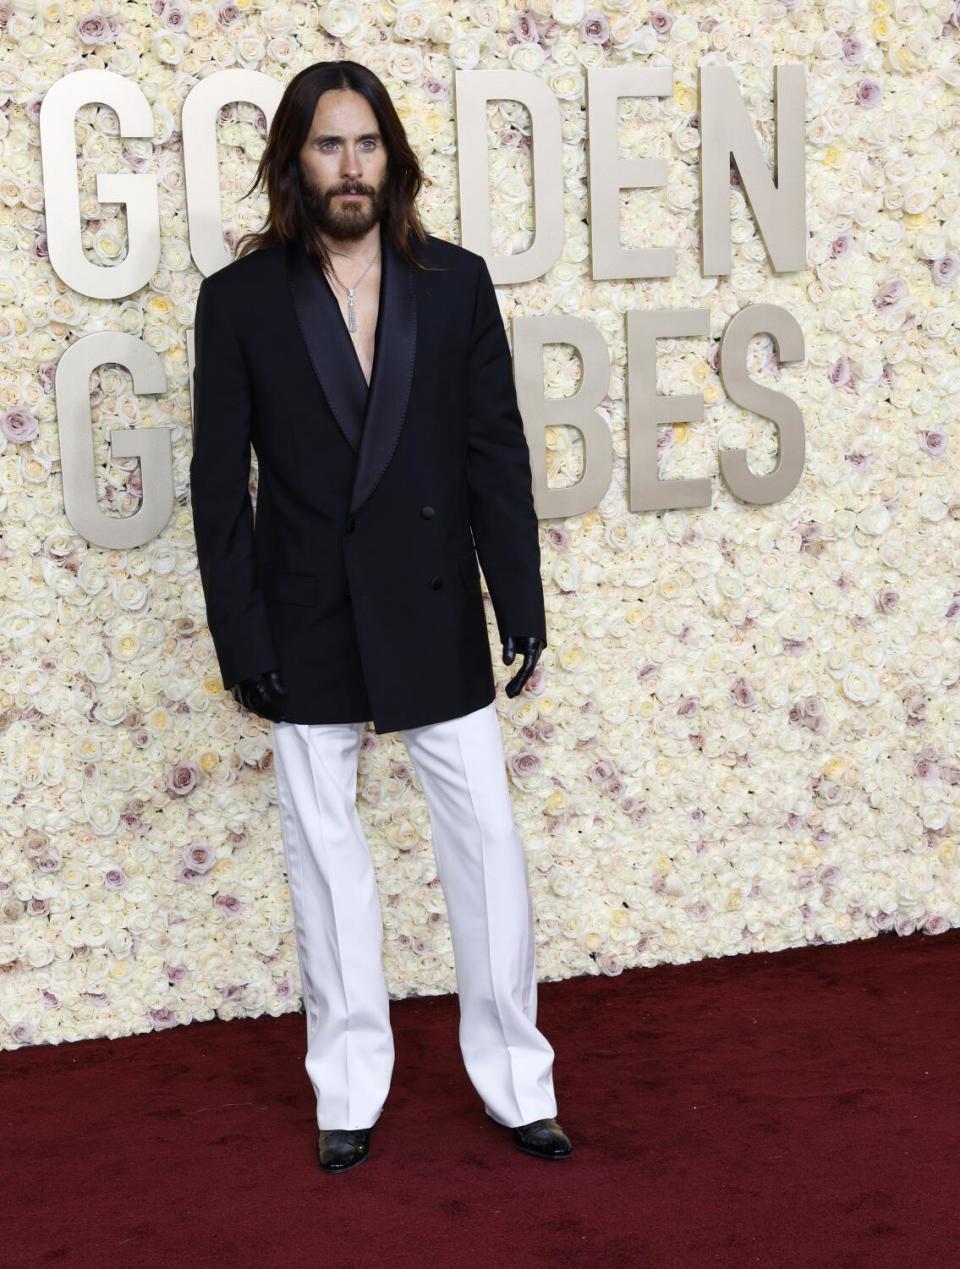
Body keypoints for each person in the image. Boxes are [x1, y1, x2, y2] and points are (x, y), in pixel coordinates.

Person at [190, 60, 572, 1172]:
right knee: (324, 858)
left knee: (489, 850)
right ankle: (347, 1087)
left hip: (432, 600)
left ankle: (516, 1084)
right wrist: (240, 638)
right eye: (326, 145)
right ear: (292, 161)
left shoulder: (455, 282)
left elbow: (495, 452)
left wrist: (521, 598)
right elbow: (221, 487)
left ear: (392, 157)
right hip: (304, 616)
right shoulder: (242, 300)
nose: (348, 167)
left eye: (365, 145)